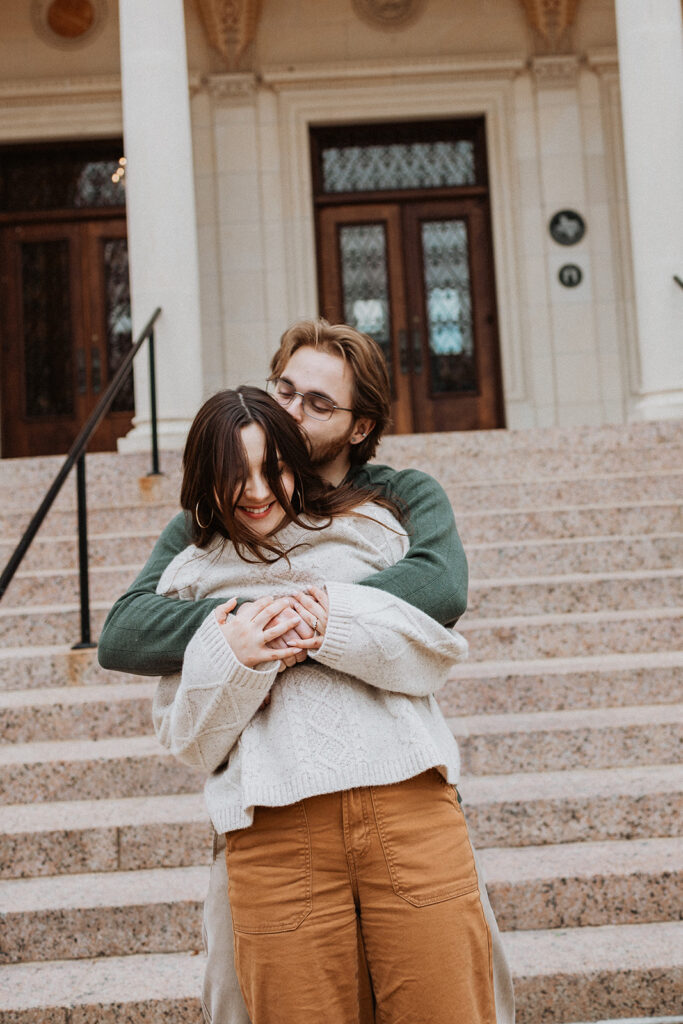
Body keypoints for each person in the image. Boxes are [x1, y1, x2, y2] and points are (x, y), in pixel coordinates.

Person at [98, 320, 514, 1023]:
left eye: (318, 403)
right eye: (284, 389)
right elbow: (125, 633)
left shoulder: (389, 505)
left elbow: (440, 592)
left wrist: (322, 614)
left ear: (360, 427)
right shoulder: (206, 529)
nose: (290, 411)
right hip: (274, 820)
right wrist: (251, 627)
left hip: (402, 802)